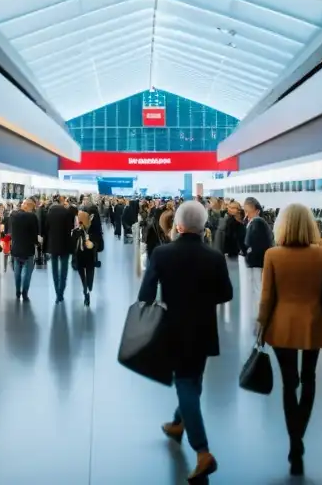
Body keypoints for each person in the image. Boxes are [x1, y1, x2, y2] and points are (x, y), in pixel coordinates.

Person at [139, 201, 233, 482]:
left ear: (178, 226)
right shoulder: (214, 256)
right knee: (193, 380)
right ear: (203, 225)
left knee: (184, 384)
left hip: (174, 329)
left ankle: (203, 452)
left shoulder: (162, 253)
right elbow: (226, 293)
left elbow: (146, 294)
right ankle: (179, 424)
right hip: (203, 328)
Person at [257, 203, 322, 476]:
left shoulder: (273, 254)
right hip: (314, 321)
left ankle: (295, 443)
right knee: (309, 378)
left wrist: (261, 324)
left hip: (282, 323)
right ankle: (299, 435)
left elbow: (267, 296)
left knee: (289, 383)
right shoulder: (320, 254)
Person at [44, 196, 74, 303]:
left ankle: (57, 292)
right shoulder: (66, 213)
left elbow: (46, 230)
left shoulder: (49, 214)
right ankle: (61, 292)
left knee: (54, 270)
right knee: (64, 270)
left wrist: (45, 246)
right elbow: (70, 228)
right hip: (65, 245)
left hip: (53, 246)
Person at [8, 199, 40, 301]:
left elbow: (10, 232)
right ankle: (25, 293)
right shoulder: (32, 217)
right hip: (28, 249)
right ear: (29, 206)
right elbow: (35, 234)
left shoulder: (13, 215)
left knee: (17, 272)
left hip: (16, 249)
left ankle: (18, 291)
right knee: (27, 273)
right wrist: (37, 243)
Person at [73, 206, 98, 306]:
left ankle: (88, 287)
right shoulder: (76, 231)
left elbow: (98, 243)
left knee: (90, 276)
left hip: (90, 257)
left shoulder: (93, 231)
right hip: (79, 257)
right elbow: (72, 244)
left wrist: (93, 245)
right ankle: (85, 291)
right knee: (83, 276)